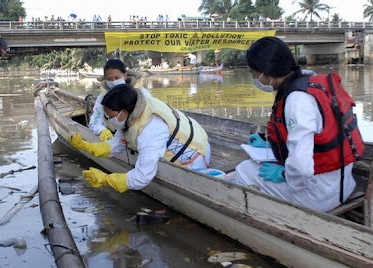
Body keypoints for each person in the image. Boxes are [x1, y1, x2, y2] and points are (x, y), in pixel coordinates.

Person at [235, 36, 365, 212]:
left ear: (265, 72)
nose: (255, 79)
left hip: (321, 195)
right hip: (344, 182)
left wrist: (283, 173)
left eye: (254, 74)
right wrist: (270, 144)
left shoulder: (297, 101)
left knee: (243, 170)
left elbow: (301, 169)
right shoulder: (310, 80)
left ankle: (279, 218)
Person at [69, 84, 211, 193]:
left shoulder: (150, 131)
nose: (108, 120)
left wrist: (107, 179)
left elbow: (142, 177)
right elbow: (115, 145)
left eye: (110, 116)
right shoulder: (134, 114)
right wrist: (86, 146)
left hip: (193, 159)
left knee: (148, 166)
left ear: (124, 111)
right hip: (196, 138)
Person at [88, 59, 143, 141]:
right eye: (109, 79)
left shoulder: (140, 93)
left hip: (138, 135)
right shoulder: (103, 97)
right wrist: (102, 130)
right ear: (105, 79)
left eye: (117, 78)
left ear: (125, 75)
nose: (113, 82)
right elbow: (95, 120)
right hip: (112, 135)